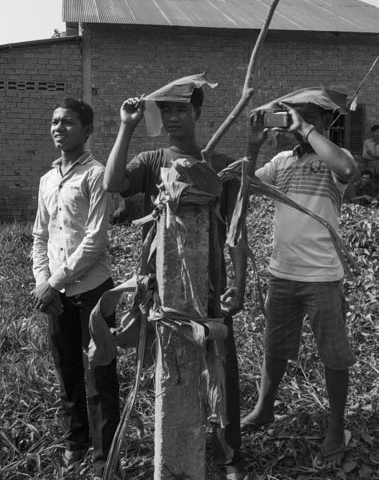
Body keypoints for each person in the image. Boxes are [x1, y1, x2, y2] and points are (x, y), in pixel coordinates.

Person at [103, 76, 248, 480]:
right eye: (166, 111)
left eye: (181, 110)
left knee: (221, 366)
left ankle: (229, 456)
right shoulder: (152, 161)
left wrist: (240, 279)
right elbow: (112, 183)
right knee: (174, 367)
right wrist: (127, 125)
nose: (173, 118)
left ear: (198, 113)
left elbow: (238, 229)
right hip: (163, 286)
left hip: (211, 283)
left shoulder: (220, 164)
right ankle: (177, 444)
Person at [243, 88, 357, 469]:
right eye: (290, 115)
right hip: (283, 274)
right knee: (275, 347)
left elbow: (346, 170)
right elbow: (244, 187)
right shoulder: (281, 161)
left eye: (303, 115)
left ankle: (336, 427)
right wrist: (254, 145)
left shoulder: (333, 161)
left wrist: (307, 131)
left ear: (322, 121)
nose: (291, 123)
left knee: (334, 354)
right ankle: (264, 409)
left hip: (323, 277)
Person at [32, 97, 120, 479]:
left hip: (95, 293)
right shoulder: (47, 180)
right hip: (57, 297)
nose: (58, 128)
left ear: (87, 130)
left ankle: (105, 455)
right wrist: (42, 283)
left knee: (99, 375)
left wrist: (54, 281)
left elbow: (95, 240)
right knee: (68, 371)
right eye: (54, 122)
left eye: (67, 122)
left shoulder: (97, 175)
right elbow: (39, 236)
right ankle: (76, 441)